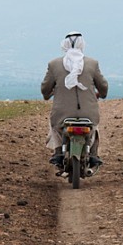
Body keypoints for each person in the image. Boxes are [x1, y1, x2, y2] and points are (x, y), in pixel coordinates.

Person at [41, 31, 108, 171]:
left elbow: (45, 88)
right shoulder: (92, 64)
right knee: (94, 129)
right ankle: (93, 154)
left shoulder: (54, 64)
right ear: (82, 44)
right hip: (88, 112)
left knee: (55, 127)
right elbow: (103, 86)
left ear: (64, 45)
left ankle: (58, 151)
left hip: (62, 113)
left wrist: (48, 94)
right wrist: (100, 94)